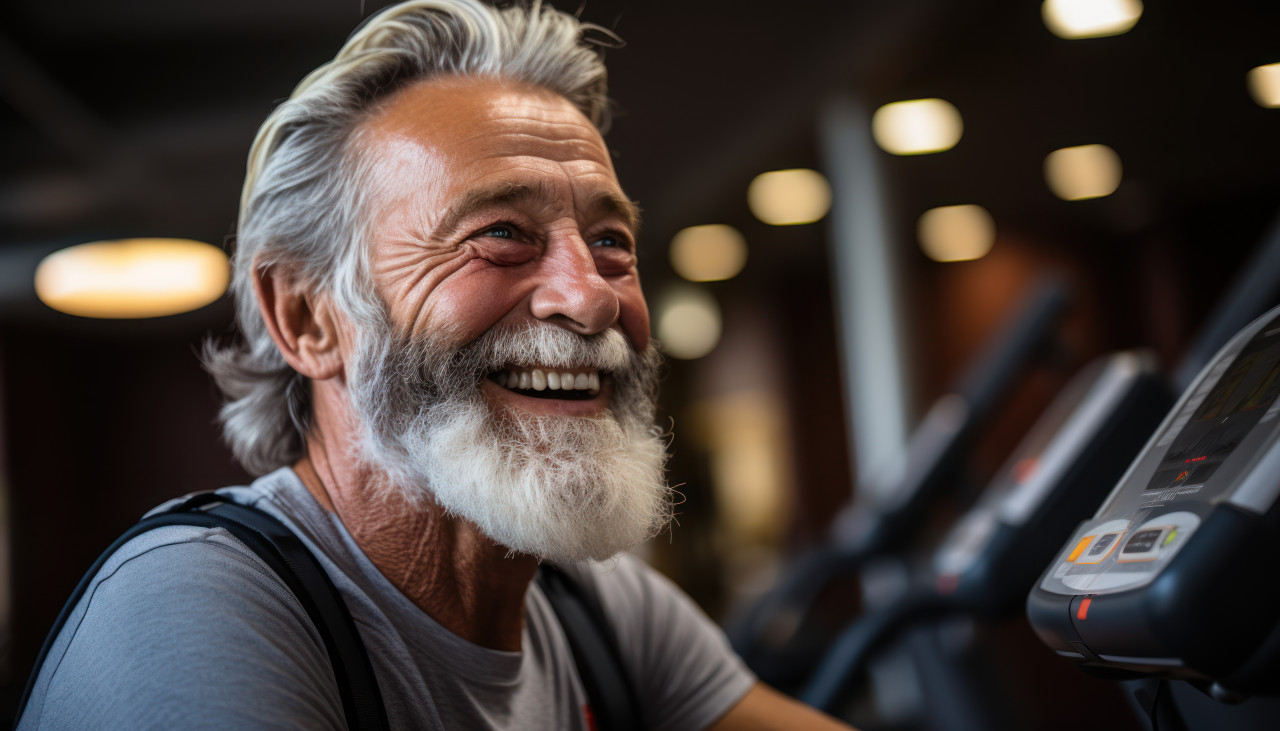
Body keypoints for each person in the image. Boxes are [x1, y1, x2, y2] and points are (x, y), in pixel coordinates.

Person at [18, 1, 851, 728]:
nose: (591, 299)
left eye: (610, 243)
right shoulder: (193, 610)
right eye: (501, 235)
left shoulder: (595, 607)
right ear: (309, 317)